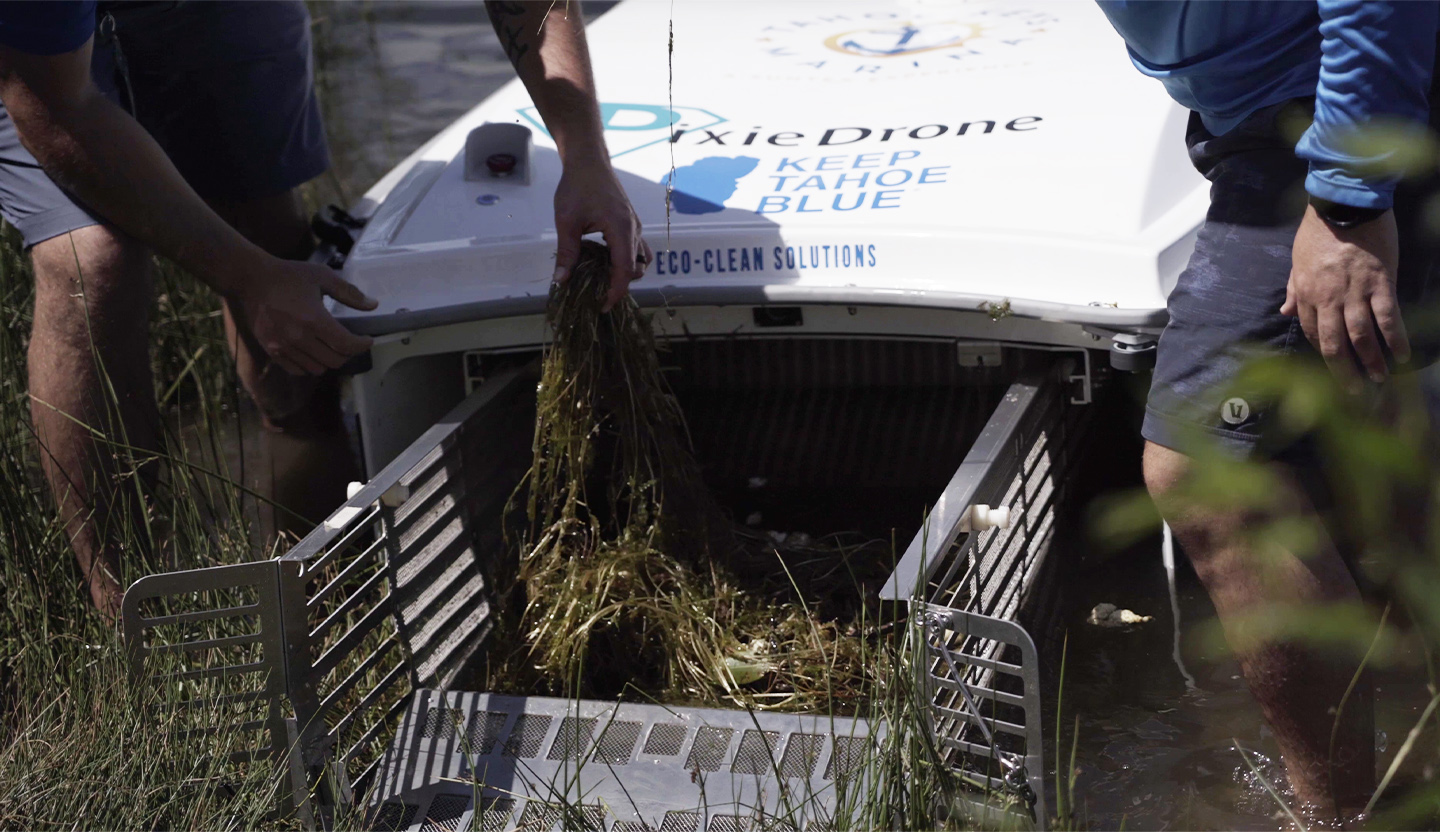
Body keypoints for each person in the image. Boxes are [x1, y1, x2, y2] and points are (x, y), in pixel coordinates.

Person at [0, 0, 647, 619]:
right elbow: (54, 105)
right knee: (94, 262)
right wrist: (248, 280)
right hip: (37, 52)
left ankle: (318, 575)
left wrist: (585, 155)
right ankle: (128, 611)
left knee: (272, 235)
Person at [1095, 0, 1440, 820]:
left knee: (1205, 472)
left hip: (1329, 111)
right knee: (1388, 436)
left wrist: (1349, 201)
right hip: (1281, 108)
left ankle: (1343, 819)